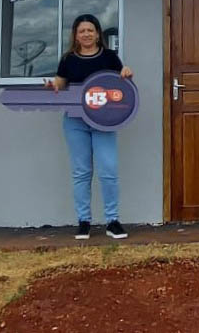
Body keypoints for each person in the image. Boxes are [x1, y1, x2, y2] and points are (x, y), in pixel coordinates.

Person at [44, 13, 133, 240]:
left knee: (109, 171)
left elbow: (121, 85)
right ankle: (84, 222)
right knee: (81, 173)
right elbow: (60, 83)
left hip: (104, 122)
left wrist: (126, 74)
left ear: (97, 33)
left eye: (90, 30)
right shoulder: (68, 59)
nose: (86, 34)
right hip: (75, 122)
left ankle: (112, 221)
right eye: (81, 31)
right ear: (75, 35)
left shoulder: (110, 57)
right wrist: (52, 85)